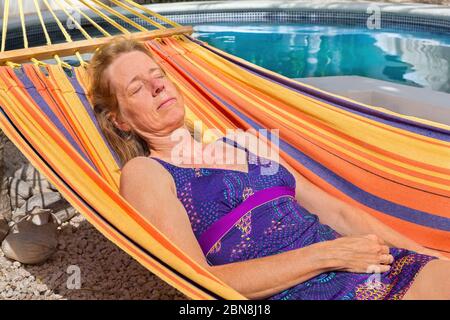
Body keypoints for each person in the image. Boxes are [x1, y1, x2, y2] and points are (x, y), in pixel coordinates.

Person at [88, 36, 450, 300]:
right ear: (120, 121)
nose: (156, 86)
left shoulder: (242, 143)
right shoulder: (147, 172)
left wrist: (423, 253)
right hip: (301, 289)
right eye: (136, 87)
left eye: (158, 74)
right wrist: (326, 256)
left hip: (362, 262)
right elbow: (196, 281)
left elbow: (337, 212)